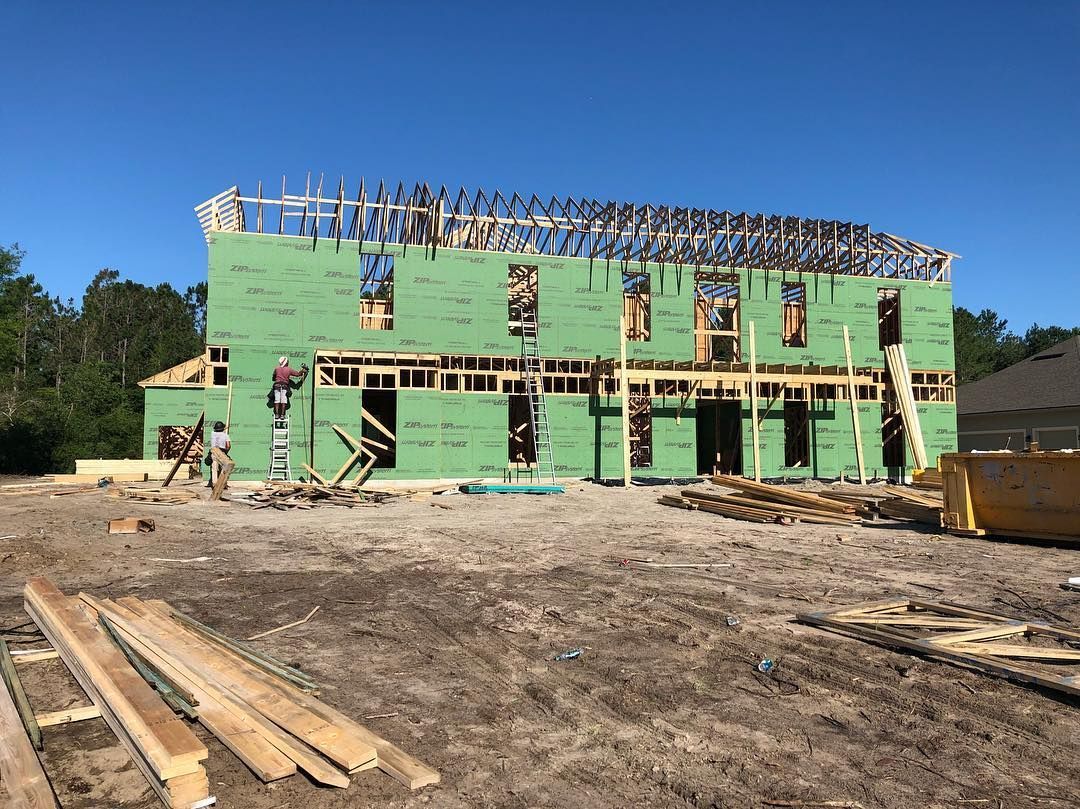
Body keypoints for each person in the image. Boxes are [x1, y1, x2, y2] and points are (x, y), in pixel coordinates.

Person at [209, 420, 231, 489]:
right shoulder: (225, 435)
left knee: (214, 468)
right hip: (222, 452)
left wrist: (223, 429)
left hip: (214, 452)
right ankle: (223, 483)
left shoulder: (212, 434)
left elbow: (218, 432)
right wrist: (226, 452)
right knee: (224, 468)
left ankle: (214, 483)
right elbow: (228, 446)